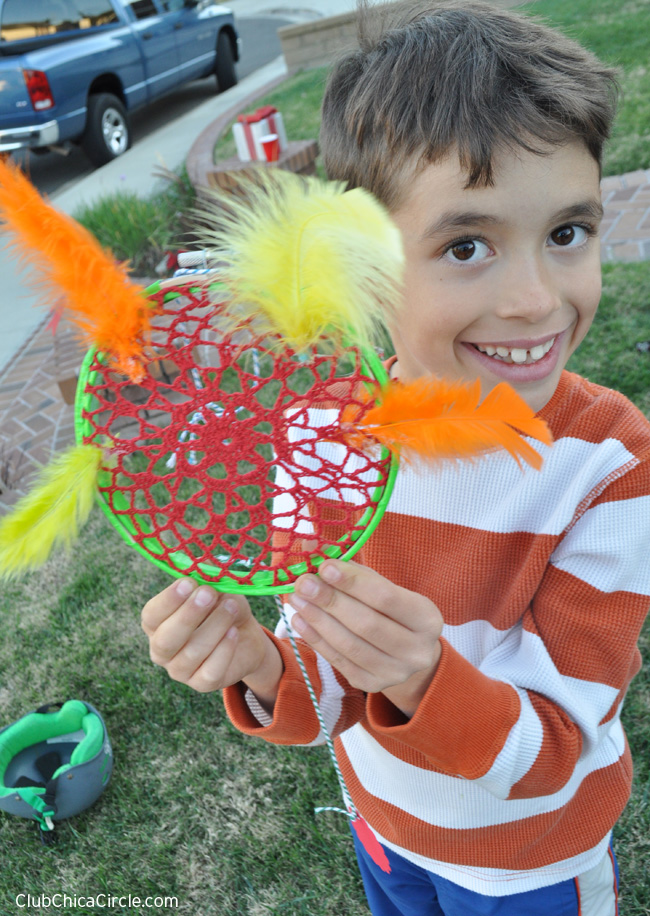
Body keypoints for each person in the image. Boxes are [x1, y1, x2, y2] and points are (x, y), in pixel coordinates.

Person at [141, 2, 650, 912]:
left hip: (526, 864)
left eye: (567, 232)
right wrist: (260, 664)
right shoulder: (325, 437)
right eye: (466, 244)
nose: (536, 298)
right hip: (384, 829)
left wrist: (424, 680)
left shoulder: (608, 465)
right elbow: (323, 676)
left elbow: (560, 750)